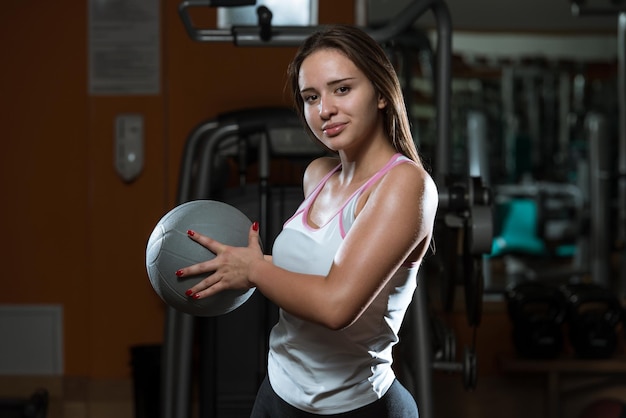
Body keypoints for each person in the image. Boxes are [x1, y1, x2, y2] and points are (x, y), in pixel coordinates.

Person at [177, 24, 438, 417]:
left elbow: (336, 305)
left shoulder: (406, 185)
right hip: (277, 395)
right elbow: (306, 275)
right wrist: (234, 264)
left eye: (342, 89)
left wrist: (253, 270)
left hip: (355, 407)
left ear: (382, 93)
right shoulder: (318, 174)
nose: (324, 110)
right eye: (311, 97)